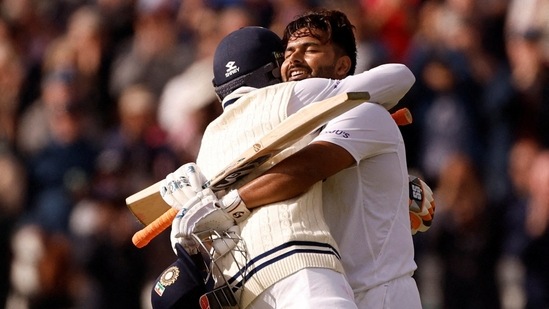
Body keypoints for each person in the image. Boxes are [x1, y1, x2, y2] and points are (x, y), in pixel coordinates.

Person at [155, 22, 416, 308]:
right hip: (315, 279)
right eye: (288, 53)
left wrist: (224, 204)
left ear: (342, 66)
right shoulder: (288, 112)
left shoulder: (362, 111)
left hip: (375, 292)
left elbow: (306, 168)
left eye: (310, 50)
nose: (294, 61)